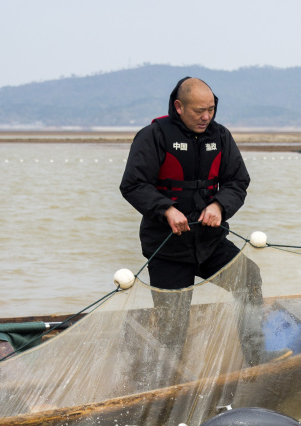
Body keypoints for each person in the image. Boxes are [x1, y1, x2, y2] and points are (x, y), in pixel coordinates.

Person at [120, 77, 282, 366]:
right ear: (179, 106)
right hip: (168, 249)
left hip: (211, 242)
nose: (206, 116)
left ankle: (256, 355)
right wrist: (167, 210)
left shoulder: (220, 137)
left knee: (249, 278)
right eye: (199, 111)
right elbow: (133, 185)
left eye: (211, 109)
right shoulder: (153, 136)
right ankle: (166, 382)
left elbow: (238, 181)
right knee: (173, 328)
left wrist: (220, 205)